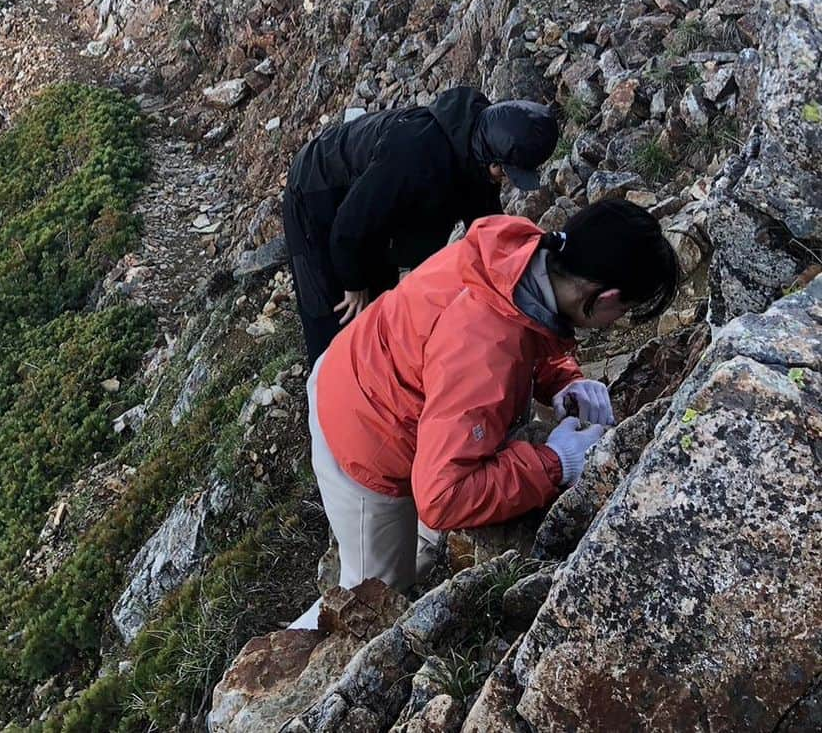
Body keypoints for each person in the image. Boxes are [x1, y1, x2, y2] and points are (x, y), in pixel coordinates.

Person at [289, 200, 678, 629]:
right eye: (621, 312)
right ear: (606, 297)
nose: (614, 322)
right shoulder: (483, 346)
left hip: (361, 365)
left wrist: (562, 380)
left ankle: (418, 543)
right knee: (371, 593)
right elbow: (442, 498)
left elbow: (527, 326)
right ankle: (293, 664)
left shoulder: (521, 250)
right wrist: (556, 462)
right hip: (361, 429)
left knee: (424, 532)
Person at [283, 87, 558, 365]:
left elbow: (489, 232)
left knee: (380, 313)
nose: (505, 180)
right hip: (317, 193)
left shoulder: (475, 155)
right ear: (492, 157)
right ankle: (327, 391)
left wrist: (528, 270)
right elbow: (349, 225)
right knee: (338, 316)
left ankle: (379, 381)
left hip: (368, 208)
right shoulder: (414, 155)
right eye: (505, 172)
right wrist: (352, 283)